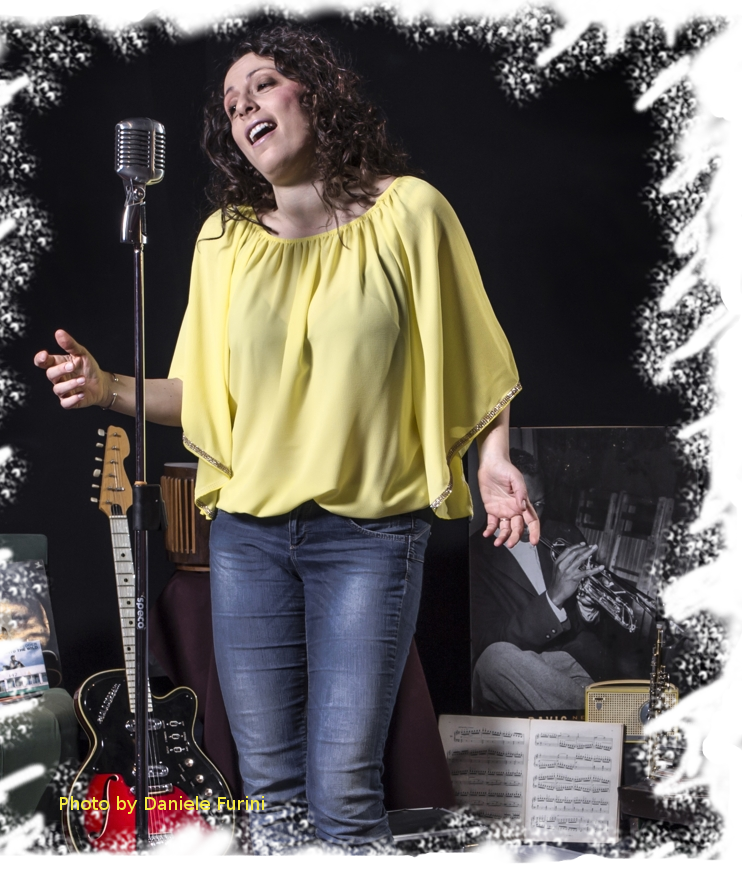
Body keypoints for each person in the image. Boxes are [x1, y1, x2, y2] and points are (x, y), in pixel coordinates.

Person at [34, 25, 538, 856]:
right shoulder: (223, 240)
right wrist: (106, 387)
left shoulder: (411, 212)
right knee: (268, 796)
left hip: (371, 536)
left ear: (316, 92)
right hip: (247, 541)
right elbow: (200, 396)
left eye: (262, 85)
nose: (244, 109)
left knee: (343, 794)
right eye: (231, 105)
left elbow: (474, 357)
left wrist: (492, 462)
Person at [470, 448, 612, 714]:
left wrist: (588, 609)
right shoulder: (473, 556)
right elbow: (489, 639)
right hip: (521, 671)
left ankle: (593, 714)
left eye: (540, 503)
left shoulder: (565, 533)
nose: (533, 517)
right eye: (523, 505)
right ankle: (605, 713)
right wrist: (553, 599)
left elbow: (596, 631)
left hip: (578, 664)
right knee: (491, 660)